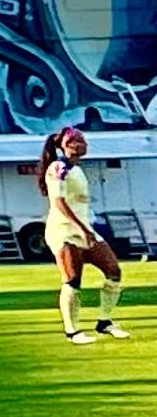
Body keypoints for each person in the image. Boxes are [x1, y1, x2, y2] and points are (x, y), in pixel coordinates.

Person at [45, 124, 124, 342]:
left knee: (113, 270)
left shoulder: (77, 169)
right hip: (64, 231)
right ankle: (72, 331)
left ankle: (104, 321)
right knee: (72, 279)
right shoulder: (58, 168)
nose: (84, 145)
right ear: (68, 145)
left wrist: (87, 225)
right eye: (80, 141)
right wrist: (80, 227)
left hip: (85, 230)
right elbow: (58, 202)